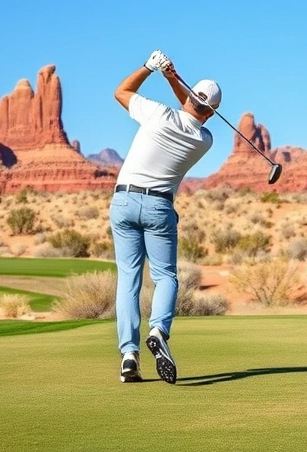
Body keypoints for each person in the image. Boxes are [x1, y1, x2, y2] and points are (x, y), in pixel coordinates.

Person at [110, 49, 221, 384]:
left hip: (124, 202)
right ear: (213, 113)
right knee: (166, 278)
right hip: (159, 208)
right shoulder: (205, 139)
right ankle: (158, 329)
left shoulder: (156, 114)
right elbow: (195, 112)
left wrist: (150, 68)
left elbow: (121, 92)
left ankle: (129, 355)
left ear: (188, 96)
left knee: (128, 280)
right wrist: (174, 80)